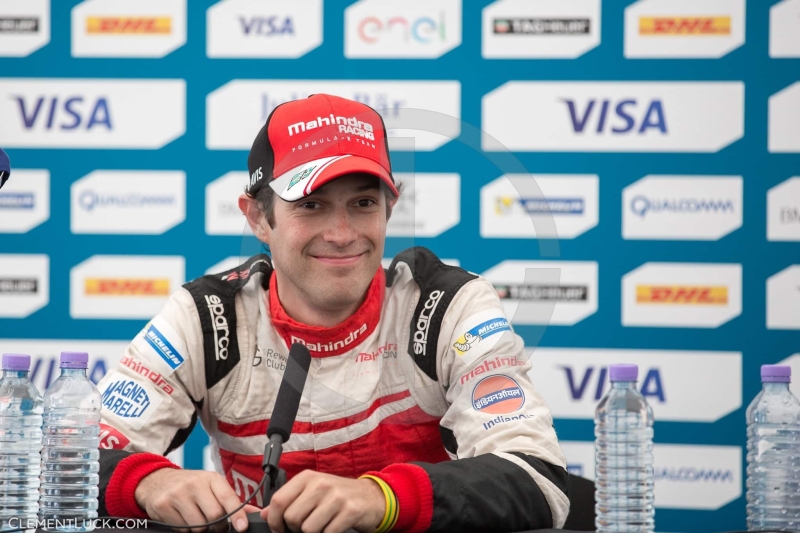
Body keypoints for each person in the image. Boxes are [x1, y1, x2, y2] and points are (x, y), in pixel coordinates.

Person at [96, 94, 569, 533]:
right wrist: (144, 481)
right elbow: (63, 461)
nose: (342, 234)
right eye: (311, 205)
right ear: (258, 218)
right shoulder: (209, 317)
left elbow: (538, 477)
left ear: (390, 207)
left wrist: (382, 499)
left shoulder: (446, 308)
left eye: (363, 203)